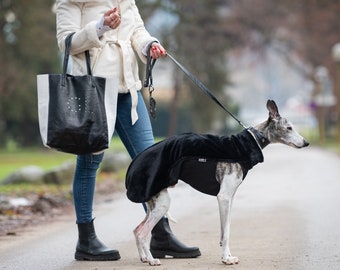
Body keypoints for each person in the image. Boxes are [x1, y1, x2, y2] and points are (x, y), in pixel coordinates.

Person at [55, 0, 201, 261]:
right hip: (94, 89)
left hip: (128, 90)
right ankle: (86, 240)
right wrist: (100, 26)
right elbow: (67, 42)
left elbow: (137, 31)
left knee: (152, 159)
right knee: (89, 163)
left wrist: (149, 45)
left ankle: (160, 235)